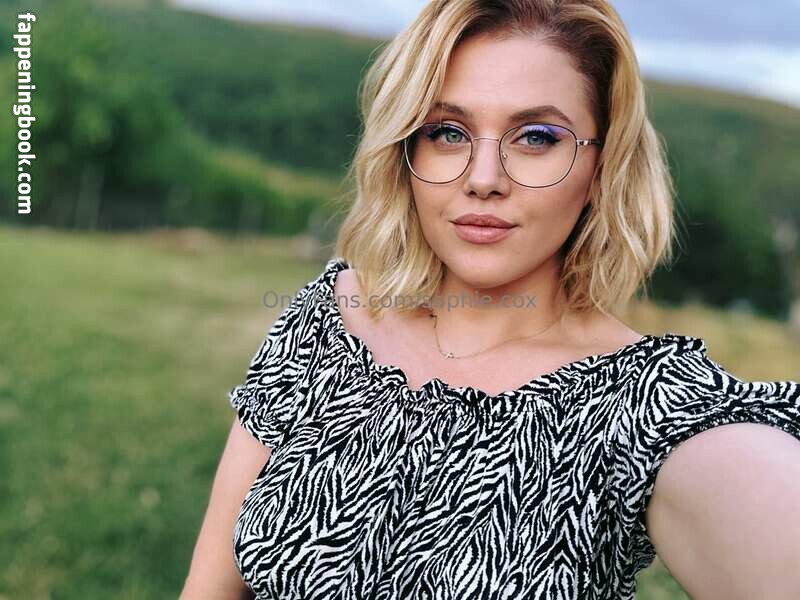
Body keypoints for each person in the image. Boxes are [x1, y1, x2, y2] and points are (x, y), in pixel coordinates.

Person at [180, 1, 800, 598]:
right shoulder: (328, 322)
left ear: (602, 167)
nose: (482, 179)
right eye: (447, 132)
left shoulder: (640, 406)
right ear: (406, 150)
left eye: (536, 137)